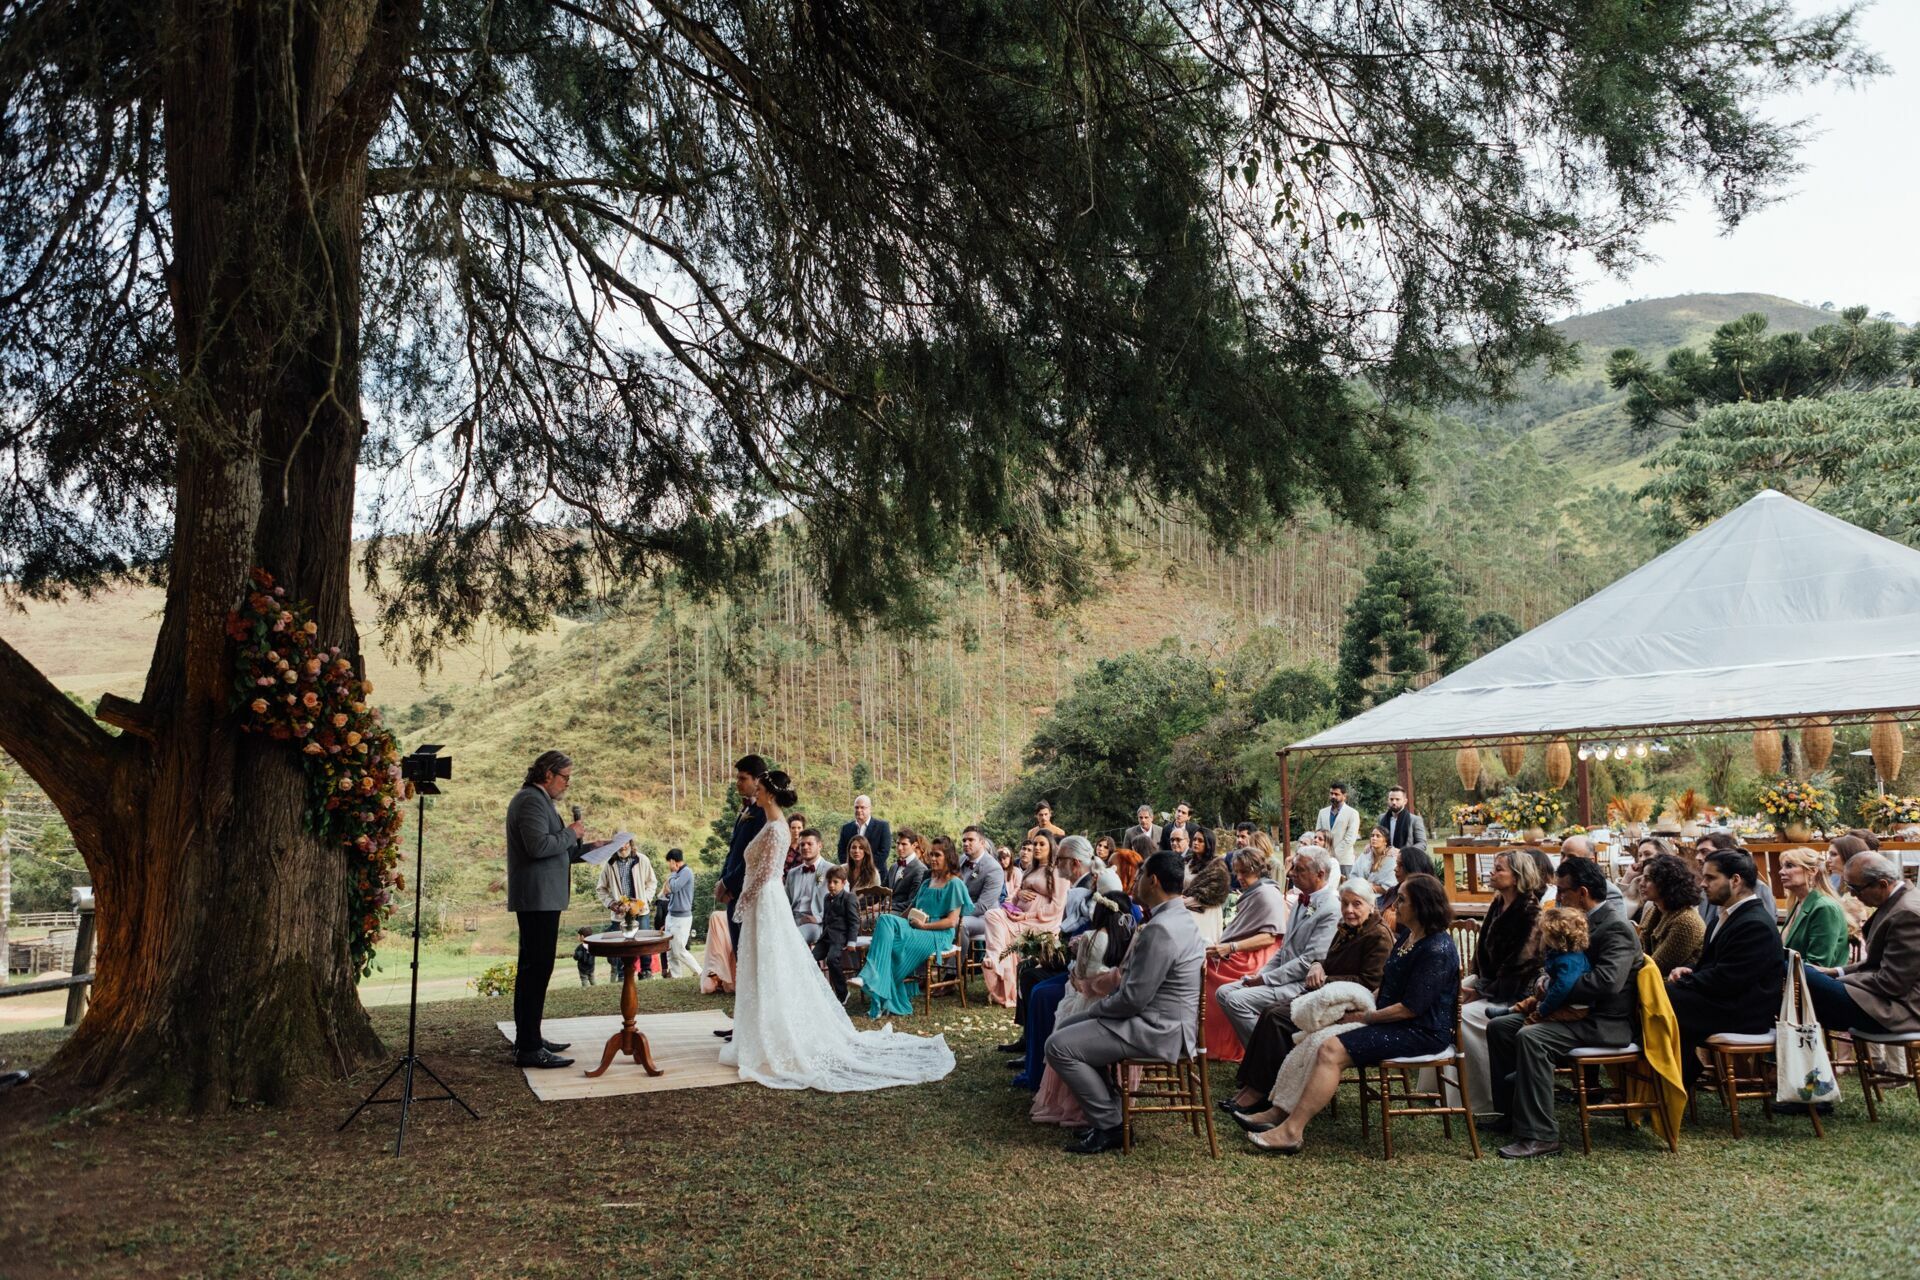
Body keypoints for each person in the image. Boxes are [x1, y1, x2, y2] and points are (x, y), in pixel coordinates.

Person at [718, 767, 955, 1090]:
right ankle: (756, 1034)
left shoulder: (777, 829)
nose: (753, 792)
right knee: (759, 966)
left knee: (772, 966)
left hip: (765, 899)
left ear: (769, 793)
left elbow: (765, 874)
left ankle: (778, 1037)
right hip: (764, 901)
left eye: (757, 788)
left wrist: (743, 901)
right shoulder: (769, 824)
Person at [1244, 875, 1460, 1154]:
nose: (1395, 904)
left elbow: (1410, 1008)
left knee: (1330, 1049)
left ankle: (1291, 1131)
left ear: (1422, 906)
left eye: (1403, 899)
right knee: (1314, 1037)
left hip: (1421, 1032)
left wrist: (1363, 1018)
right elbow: (1389, 981)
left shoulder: (1436, 949)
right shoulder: (1409, 935)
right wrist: (1364, 1002)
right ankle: (1278, 1110)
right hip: (1392, 1019)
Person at [1044, 852, 1207, 1155]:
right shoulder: (1178, 917)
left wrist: (1097, 1010)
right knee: (1066, 1027)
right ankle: (1113, 1110)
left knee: (1058, 1047)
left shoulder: (1162, 928)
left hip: (1156, 1028)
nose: (1138, 879)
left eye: (1142, 872)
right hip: (1159, 1019)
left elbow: (1133, 998)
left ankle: (1110, 1125)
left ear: (1153, 880)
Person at [1484, 857, 1644, 1158]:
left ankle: (1541, 1136)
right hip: (1572, 1013)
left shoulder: (1615, 927)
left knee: (1533, 1038)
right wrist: (1546, 979)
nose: (1557, 898)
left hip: (1602, 1021)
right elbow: (1557, 963)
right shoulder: (1578, 921)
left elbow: (1607, 983)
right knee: (1500, 1027)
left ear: (1582, 893)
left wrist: (1558, 988)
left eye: (1563, 892)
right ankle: (1513, 1115)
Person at [1219, 878, 1392, 1115]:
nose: (1349, 910)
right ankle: (1254, 1086)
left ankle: (1260, 1091)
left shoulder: (1378, 936)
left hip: (1348, 1006)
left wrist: (1324, 980)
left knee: (1277, 1018)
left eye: (1357, 904)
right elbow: (1327, 959)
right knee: (1271, 1013)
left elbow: (1370, 982)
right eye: (1345, 904)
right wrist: (1318, 965)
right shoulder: (1347, 926)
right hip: (1325, 995)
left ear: (1371, 906)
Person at [1665, 848, 1785, 1088]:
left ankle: (1676, 1077)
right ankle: (1677, 1073)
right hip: (1723, 1002)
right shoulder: (1727, 916)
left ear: (1736, 880)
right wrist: (1688, 971)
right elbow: (1715, 966)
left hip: (1743, 1013)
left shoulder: (1754, 923)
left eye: (1711, 878)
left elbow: (1729, 978)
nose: (1702, 884)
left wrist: (1686, 982)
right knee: (1656, 997)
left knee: (1660, 998)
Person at [504, 749, 587, 1068]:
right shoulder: (529, 801)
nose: (567, 784)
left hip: (544, 897)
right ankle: (527, 1046)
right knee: (535, 970)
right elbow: (538, 846)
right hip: (537, 898)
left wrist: (588, 847)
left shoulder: (540, 802)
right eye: (565, 777)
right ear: (547, 774)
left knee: (537, 969)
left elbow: (555, 849)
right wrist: (572, 833)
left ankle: (531, 1037)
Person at [1028, 881, 1137, 1124]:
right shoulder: (1128, 940)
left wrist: (1076, 973)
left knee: (1067, 1044)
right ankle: (1111, 1097)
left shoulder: (1092, 936)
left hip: (1087, 1004)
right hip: (1114, 1005)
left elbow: (1080, 973)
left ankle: (1075, 1104)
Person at [1213, 848, 1340, 1049]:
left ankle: (1268, 1054)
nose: (1291, 873)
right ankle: (1265, 1053)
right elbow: (1283, 949)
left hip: (1302, 985)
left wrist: (1265, 980)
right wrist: (1261, 974)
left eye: (1299, 870)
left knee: (1237, 1001)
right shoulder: (1302, 899)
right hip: (1281, 978)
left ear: (1320, 874)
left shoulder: (1331, 909)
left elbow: (1309, 962)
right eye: (1293, 868)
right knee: (1223, 992)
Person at [1449, 849, 1543, 1119]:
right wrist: (1475, 981)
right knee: (1447, 998)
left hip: (1515, 990)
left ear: (1516, 877)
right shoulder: (1498, 902)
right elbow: (1482, 951)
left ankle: (1480, 1097)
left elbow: (1521, 965)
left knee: (1463, 1015)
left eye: (1499, 869)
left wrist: (1480, 991)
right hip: (1490, 981)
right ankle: (1445, 1088)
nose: (1492, 873)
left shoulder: (1530, 911)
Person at [1803, 852, 1920, 1037]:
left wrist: (1837, 982)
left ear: (1882, 884)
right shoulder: (1899, 901)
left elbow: (1891, 983)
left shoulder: (1907, 914)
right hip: (1888, 1001)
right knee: (1798, 981)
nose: (1851, 894)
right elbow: (1880, 963)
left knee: (1798, 976)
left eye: (1855, 888)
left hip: (1902, 1011)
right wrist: (1835, 972)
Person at [857, 837, 971, 1018]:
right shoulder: (927, 882)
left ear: (948, 857)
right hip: (917, 926)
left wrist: (924, 926)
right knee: (885, 920)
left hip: (938, 934)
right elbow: (910, 909)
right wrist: (896, 926)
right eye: (931, 854)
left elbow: (951, 922)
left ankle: (876, 991)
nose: (933, 858)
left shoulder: (954, 883)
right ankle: (875, 983)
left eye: (938, 855)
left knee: (893, 946)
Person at [1200, 849, 1290, 1060]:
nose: (1239, 878)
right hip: (1243, 949)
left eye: (1244, 874)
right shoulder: (1256, 891)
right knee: (1203, 961)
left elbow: (1269, 937)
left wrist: (1230, 948)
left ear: (1257, 871)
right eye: (1237, 873)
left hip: (1259, 956)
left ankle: (1224, 1045)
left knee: (1209, 970)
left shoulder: (1268, 894)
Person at [982, 833, 1071, 1006]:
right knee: (992, 915)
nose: (1037, 848)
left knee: (994, 918)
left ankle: (998, 962)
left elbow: (1057, 906)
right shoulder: (1031, 869)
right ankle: (998, 961)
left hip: (1040, 922)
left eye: (1041, 844)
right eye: (1035, 844)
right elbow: (1015, 895)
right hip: (1018, 916)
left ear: (1051, 847)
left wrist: (1027, 915)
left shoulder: (1058, 871)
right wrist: (1018, 895)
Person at [596, 839, 659, 980]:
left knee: (643, 940)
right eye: (619, 844)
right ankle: (622, 974)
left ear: (630, 844)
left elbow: (652, 882)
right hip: (621, 911)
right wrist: (612, 903)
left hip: (640, 909)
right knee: (621, 943)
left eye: (626, 843)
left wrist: (644, 901)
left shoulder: (642, 860)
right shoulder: (609, 863)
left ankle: (646, 972)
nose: (623, 847)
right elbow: (601, 888)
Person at [1636, 852, 1706, 974]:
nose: (1641, 883)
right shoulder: (1655, 909)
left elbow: (1657, 966)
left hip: (1675, 986)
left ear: (1666, 883)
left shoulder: (1686, 921)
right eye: (1642, 877)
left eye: (1648, 879)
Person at [1780, 846, 1849, 969]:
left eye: (1789, 866)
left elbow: (1817, 965)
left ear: (1812, 871)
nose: (1781, 871)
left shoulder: (1825, 907)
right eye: (1782, 866)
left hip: (1816, 985)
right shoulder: (1798, 903)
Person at [1522, 908, 1593, 1022]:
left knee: (1530, 1024)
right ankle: (1512, 1010)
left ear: (1556, 937)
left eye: (1545, 933)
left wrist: (1542, 1010)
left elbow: (1561, 989)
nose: (1542, 936)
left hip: (1572, 1007)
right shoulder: (1558, 953)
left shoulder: (1569, 961)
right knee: (1531, 1001)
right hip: (1557, 998)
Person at [813, 865, 861, 1002]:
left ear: (843, 883)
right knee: (810, 959)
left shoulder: (849, 897)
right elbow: (825, 919)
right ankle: (819, 990)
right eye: (829, 882)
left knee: (832, 959)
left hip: (840, 937)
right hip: (826, 936)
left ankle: (843, 993)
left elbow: (854, 921)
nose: (831, 885)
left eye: (835, 882)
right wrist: (822, 936)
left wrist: (851, 941)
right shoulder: (827, 898)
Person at [957, 825, 1006, 950]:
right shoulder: (961, 859)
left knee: (960, 925)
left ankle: (952, 969)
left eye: (971, 840)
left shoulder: (993, 868)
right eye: (964, 840)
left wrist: (954, 913)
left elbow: (982, 906)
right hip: (961, 911)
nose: (966, 843)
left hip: (985, 917)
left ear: (982, 843)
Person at [1182, 825, 1232, 943]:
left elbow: (1214, 894)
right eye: (1194, 839)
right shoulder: (1188, 862)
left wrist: (1182, 901)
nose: (1196, 843)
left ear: (1208, 844)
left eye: (1200, 841)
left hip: (1207, 913)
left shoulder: (1217, 866)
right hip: (1187, 911)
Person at [1558, 835, 1626, 916]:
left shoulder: (1610, 893)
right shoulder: (1561, 885)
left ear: (1591, 861)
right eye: (1562, 855)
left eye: (1572, 857)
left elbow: (1612, 925)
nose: (1564, 861)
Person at [784, 828, 831, 945]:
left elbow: (840, 904)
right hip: (792, 920)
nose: (805, 847)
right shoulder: (792, 873)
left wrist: (818, 918)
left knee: (791, 941)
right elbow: (786, 901)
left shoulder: (832, 870)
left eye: (809, 844)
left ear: (820, 846)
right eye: (802, 844)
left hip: (815, 923)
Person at [837, 795, 893, 879]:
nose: (859, 810)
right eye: (856, 807)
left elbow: (884, 852)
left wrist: (863, 868)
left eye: (862, 807)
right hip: (851, 876)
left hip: (876, 874)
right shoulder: (846, 828)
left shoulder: (882, 826)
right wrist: (853, 868)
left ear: (870, 809)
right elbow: (841, 852)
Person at [662, 849, 697, 978]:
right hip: (671, 915)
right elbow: (670, 891)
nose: (668, 865)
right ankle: (676, 977)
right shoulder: (678, 873)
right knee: (670, 951)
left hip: (682, 917)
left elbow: (675, 887)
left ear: (672, 861)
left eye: (669, 862)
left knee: (679, 950)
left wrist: (671, 874)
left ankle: (699, 971)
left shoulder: (686, 872)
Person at [1316, 782, 1363, 875]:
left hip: (1344, 861)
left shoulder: (1352, 813)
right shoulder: (1322, 812)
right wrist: (1324, 856)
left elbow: (1350, 839)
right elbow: (1318, 834)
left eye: (1336, 794)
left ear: (1344, 796)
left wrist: (1332, 856)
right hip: (1323, 861)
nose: (1333, 796)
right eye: (1331, 793)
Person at [1377, 785, 1428, 858]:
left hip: (1407, 861)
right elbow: (1377, 837)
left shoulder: (1415, 820)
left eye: (1397, 799)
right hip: (1384, 860)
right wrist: (1370, 845)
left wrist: (1402, 852)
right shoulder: (1381, 818)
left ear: (1405, 801)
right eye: (1391, 799)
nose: (1394, 802)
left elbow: (1422, 844)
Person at [889, 829, 929, 915]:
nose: (899, 848)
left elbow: (912, 902)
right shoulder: (894, 866)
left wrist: (885, 906)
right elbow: (881, 891)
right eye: (898, 843)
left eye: (904, 844)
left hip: (902, 914)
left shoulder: (920, 869)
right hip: (885, 910)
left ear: (914, 845)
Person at [1353, 827, 1401, 893]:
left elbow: (1389, 887)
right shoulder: (1365, 854)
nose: (1374, 838)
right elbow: (1354, 874)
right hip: (1360, 892)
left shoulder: (1391, 858)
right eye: (1372, 835)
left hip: (1382, 897)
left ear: (1385, 841)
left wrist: (1367, 887)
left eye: (1378, 836)